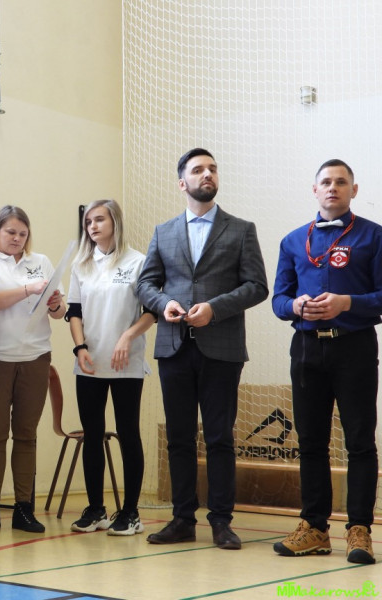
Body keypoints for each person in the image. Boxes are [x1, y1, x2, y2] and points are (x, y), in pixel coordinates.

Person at [136, 148, 268, 550]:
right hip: (174, 347)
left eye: (212, 168)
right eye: (198, 170)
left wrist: (215, 308)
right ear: (183, 183)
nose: (207, 174)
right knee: (178, 438)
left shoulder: (241, 229)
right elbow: (145, 284)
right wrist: (163, 304)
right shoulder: (163, 231)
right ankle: (182, 519)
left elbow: (257, 286)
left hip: (222, 348)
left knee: (219, 438)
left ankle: (221, 521)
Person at [271, 159, 381, 565]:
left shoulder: (374, 236)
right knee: (311, 442)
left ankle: (359, 529)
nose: (333, 187)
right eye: (326, 182)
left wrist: (347, 302)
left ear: (354, 190)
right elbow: (278, 299)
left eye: (341, 182)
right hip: (306, 350)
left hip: (354, 347)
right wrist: (295, 305)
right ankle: (314, 528)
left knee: (360, 441)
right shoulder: (292, 241)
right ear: (314, 190)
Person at [0, 206, 65, 534]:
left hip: (35, 356)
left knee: (26, 434)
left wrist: (55, 303)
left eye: (23, 234)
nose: (17, 238)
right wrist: (29, 289)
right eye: (10, 232)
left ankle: (24, 508)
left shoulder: (41, 262)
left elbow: (59, 311)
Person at [64, 199, 154, 536]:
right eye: (89, 222)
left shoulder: (138, 261)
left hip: (125, 363)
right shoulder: (81, 265)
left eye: (99, 220)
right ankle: (96, 509)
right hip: (89, 363)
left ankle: (130, 512)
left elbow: (151, 312)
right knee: (92, 434)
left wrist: (127, 336)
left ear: (115, 221)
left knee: (128, 433)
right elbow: (74, 312)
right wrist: (80, 347)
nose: (93, 226)